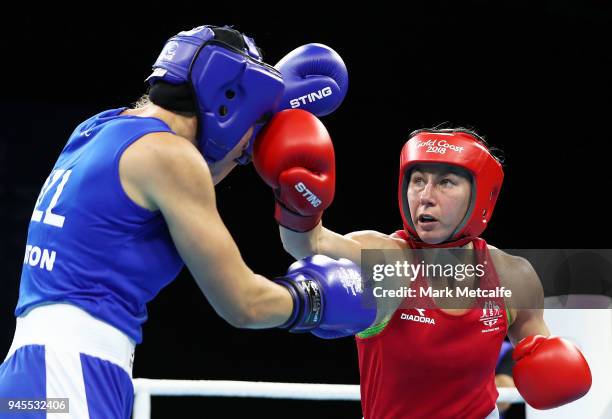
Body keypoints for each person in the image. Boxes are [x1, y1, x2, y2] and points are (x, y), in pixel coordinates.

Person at [0, 25, 367, 418]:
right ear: (227, 99)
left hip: (30, 377)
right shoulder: (170, 157)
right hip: (72, 374)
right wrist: (313, 298)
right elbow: (243, 304)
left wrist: (258, 117)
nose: (248, 150)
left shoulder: (99, 129)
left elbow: (194, 175)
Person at [253, 112, 593, 418]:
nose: (426, 195)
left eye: (446, 182)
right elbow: (308, 244)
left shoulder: (512, 276)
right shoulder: (385, 257)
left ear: (481, 196)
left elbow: (538, 351)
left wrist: (552, 371)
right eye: (418, 180)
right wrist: (298, 207)